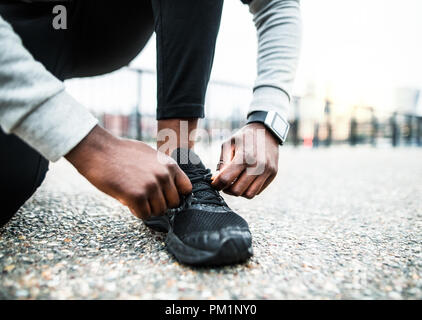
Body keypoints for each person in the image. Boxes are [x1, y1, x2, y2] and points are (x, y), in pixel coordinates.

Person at [0, 0, 301, 266]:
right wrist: (90, 145)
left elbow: (276, 3)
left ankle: (177, 162)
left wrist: (266, 119)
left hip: (104, 24)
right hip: (22, 21)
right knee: (10, 179)